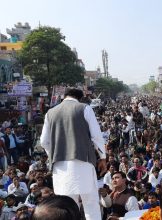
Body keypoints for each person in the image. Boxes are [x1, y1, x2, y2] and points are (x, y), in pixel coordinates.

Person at [40, 88, 106, 220]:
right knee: (91, 203)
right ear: (80, 98)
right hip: (83, 163)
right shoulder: (84, 108)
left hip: (60, 168)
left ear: (64, 97)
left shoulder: (50, 113)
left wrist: (54, 154)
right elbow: (97, 137)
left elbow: (44, 142)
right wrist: (103, 157)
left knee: (67, 207)